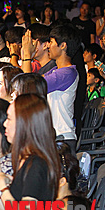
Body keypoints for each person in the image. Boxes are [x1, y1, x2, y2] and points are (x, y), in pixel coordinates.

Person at [0, 93, 61, 210]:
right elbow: (5, 208)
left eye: (10, 119)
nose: (5, 124)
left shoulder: (37, 165)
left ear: (25, 123)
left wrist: (3, 190)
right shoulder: (25, 160)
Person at [44, 24, 81, 154]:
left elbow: (30, 85)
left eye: (51, 42)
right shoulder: (55, 71)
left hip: (62, 138)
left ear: (63, 45)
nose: (48, 45)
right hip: (54, 137)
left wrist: (26, 55)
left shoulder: (67, 73)